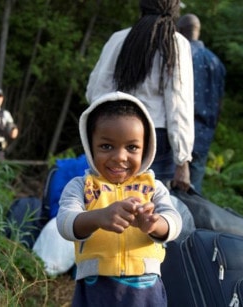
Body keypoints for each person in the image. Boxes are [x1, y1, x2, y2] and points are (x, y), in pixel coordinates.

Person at [57, 91, 182, 306]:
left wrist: (154, 224)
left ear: (145, 149)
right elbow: (65, 222)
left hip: (145, 289)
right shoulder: (81, 186)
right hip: (97, 287)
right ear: (90, 146)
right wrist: (98, 217)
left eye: (132, 147)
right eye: (106, 146)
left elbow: (175, 221)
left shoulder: (153, 188)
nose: (120, 157)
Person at [86, 0, 194, 192]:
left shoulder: (118, 39)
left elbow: (95, 92)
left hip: (110, 131)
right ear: (173, 10)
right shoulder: (176, 43)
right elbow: (178, 104)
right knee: (149, 207)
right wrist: (183, 158)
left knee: (106, 198)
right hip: (154, 137)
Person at [177, 13, 226, 194]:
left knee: (165, 197)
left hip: (177, 134)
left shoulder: (179, 55)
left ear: (180, 30)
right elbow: (220, 104)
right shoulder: (216, 62)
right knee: (192, 193)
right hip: (204, 134)